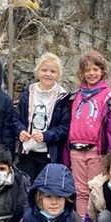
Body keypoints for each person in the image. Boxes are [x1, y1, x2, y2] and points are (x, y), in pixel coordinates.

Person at [67, 51, 111, 222]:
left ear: (102, 71)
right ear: (81, 73)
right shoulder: (76, 95)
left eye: (95, 69)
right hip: (76, 148)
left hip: (96, 149)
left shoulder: (108, 95)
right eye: (87, 70)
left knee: (95, 188)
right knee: (80, 191)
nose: (91, 73)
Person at [12, 53, 72, 181]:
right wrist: (20, 131)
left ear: (58, 75)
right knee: (25, 188)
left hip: (49, 154)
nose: (48, 74)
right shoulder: (28, 92)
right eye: (44, 70)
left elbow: (64, 128)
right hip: (27, 152)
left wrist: (46, 135)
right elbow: (15, 118)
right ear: (37, 72)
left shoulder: (63, 97)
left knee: (44, 190)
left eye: (53, 71)